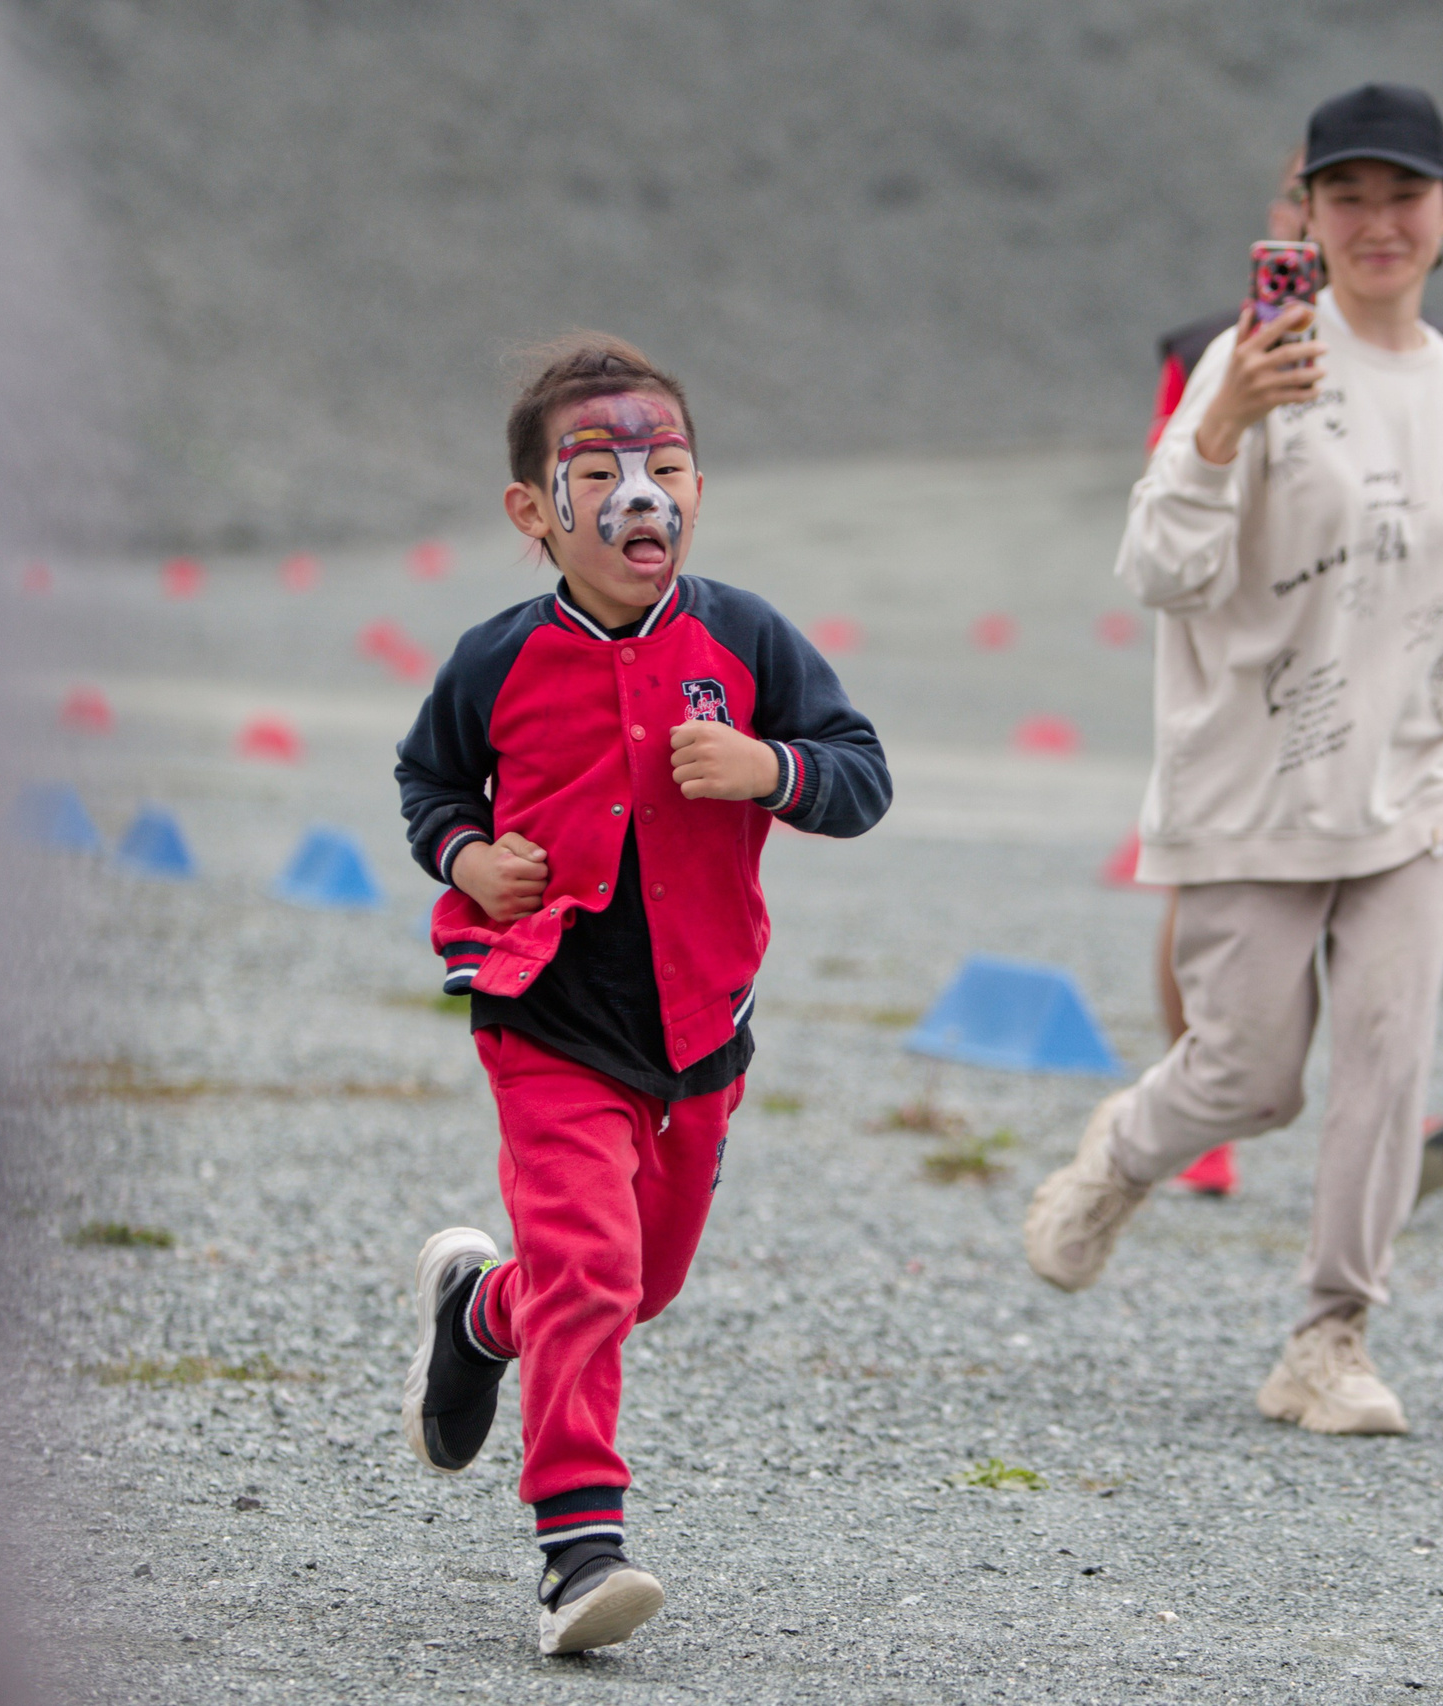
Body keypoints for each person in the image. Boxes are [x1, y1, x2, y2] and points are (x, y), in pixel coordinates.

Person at [1029, 85, 1443, 1435]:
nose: (1377, 222)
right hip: (1258, 781)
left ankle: (1329, 1337)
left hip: (1417, 785)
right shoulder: (1255, 360)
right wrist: (1224, 421)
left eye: (1405, 197)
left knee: (1388, 1065)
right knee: (1250, 1075)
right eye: (1348, 196)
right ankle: (1121, 1153)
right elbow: (1158, 568)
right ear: (1310, 216)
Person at [393, 337, 891, 1655]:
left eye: (665, 468)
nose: (639, 499)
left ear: (699, 491)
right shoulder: (493, 660)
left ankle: (479, 1313)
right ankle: (580, 1552)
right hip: (546, 1012)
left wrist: (772, 768)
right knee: (593, 1266)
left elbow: (862, 774)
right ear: (533, 510)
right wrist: (468, 855)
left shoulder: (748, 640)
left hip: (699, 1027)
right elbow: (427, 782)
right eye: (600, 474)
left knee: (633, 1283)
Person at [1145, 146, 1443, 1206]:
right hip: (1249, 678)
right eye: (1320, 197)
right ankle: (1204, 1117)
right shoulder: (1209, 350)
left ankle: (1386, 1120)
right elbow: (1168, 509)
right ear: (1286, 216)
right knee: (1221, 905)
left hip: (1382, 681)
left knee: (1380, 893)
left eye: (1389, 199)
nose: (1349, 222)